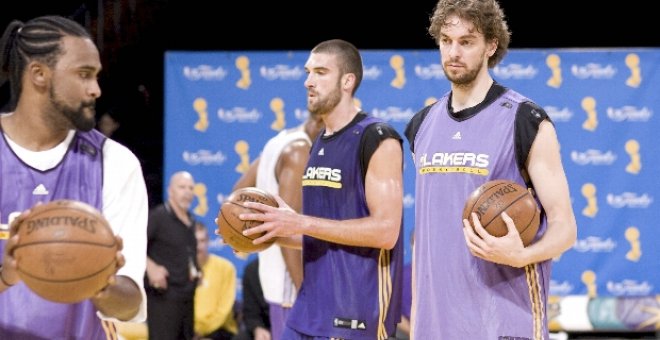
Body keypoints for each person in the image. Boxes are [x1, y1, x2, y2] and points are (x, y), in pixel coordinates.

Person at [403, 0, 578, 338]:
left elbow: (565, 228)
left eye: (467, 41)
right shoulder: (421, 126)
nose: (454, 51)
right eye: (446, 40)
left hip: (504, 318)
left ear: (491, 45)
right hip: (435, 323)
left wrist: (522, 255)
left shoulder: (525, 120)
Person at [240, 39, 404, 340]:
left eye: (320, 72)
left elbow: (386, 231)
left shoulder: (378, 138)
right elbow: (321, 236)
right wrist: (263, 233)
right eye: (308, 72)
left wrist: (301, 221)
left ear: (347, 81)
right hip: (309, 311)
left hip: (356, 313)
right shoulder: (319, 143)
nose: (308, 81)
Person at [0, 15, 149, 339]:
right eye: (84, 75)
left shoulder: (116, 162)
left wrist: (100, 280)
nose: (96, 89)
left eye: (96, 76)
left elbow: (130, 305)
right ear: (39, 74)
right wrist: (6, 276)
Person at [232, 98, 323, 340]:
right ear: (322, 121)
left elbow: (235, 197)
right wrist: (306, 292)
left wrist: (243, 234)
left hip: (274, 277)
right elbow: (286, 228)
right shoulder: (299, 152)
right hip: (290, 283)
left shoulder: (278, 141)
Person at [145, 171, 200, 340]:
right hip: (163, 299)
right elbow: (135, 245)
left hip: (187, 298)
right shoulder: (158, 217)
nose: (187, 192)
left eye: (191, 188)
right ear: (170, 191)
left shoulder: (191, 220)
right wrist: (151, 267)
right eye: (182, 187)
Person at [194, 221, 239, 340]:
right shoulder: (180, 269)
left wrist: (201, 331)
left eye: (202, 241)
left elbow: (223, 311)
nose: (199, 246)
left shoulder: (225, 268)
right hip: (187, 331)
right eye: (195, 241)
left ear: (208, 241)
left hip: (220, 331)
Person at [232, 257, 271, 340]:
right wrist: (257, 328)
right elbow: (250, 311)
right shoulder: (252, 270)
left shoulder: (296, 266)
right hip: (266, 326)